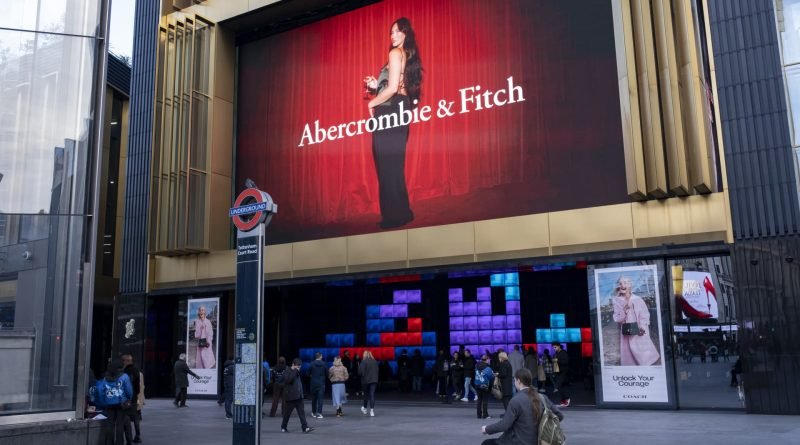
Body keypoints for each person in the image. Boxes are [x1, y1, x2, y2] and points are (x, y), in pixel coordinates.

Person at [363, 17, 423, 229]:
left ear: (406, 33)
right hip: (400, 107)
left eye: (398, 31)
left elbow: (392, 89)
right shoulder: (405, 54)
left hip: (390, 109)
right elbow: (393, 86)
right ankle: (402, 212)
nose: (393, 35)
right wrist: (375, 86)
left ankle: (393, 217)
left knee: (387, 165)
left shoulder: (395, 53)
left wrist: (372, 103)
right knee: (393, 165)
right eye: (391, 32)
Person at [480, 368, 564, 445]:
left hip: (517, 442)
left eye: (514, 380)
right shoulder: (543, 397)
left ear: (518, 381)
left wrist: (486, 429)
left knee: (486, 443)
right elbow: (560, 416)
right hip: (539, 441)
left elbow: (504, 425)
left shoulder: (516, 400)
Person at [612, 276, 660, 366]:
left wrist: (642, 326)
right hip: (627, 332)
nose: (622, 285)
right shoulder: (617, 301)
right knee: (630, 359)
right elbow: (617, 318)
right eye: (620, 283)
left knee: (643, 357)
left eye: (625, 283)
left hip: (639, 331)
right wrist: (624, 311)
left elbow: (645, 315)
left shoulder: (638, 299)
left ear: (630, 285)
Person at [97, 359, 134, 445]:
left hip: (109, 404)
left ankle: (109, 443)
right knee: (120, 425)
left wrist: (104, 402)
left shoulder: (106, 377)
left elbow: (101, 391)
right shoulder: (124, 376)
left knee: (110, 424)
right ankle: (119, 443)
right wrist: (128, 398)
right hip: (121, 404)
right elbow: (129, 391)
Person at [281, 358, 314, 433]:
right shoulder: (287, 371)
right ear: (293, 364)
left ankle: (305, 427)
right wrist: (295, 371)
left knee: (302, 413)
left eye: (300, 366)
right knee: (287, 414)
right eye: (297, 366)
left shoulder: (297, 371)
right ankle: (283, 426)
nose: (299, 368)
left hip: (299, 397)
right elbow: (288, 380)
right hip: (291, 397)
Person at [121, 354, 143, 443]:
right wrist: (137, 394)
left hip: (128, 397)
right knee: (135, 417)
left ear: (127, 361)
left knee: (126, 417)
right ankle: (137, 435)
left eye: (123, 360)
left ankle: (127, 438)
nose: (122, 362)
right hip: (134, 397)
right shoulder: (136, 370)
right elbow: (138, 385)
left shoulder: (126, 371)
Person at [358, 350, 379, 416]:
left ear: (364, 355)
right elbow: (377, 370)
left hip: (365, 381)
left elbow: (360, 372)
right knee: (372, 394)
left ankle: (365, 408)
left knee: (366, 395)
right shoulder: (375, 361)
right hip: (374, 380)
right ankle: (372, 411)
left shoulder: (364, 361)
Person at [475, 354, 495, 419]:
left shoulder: (476, 366)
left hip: (477, 384)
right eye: (489, 360)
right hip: (485, 385)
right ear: (487, 360)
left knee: (479, 400)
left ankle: (479, 415)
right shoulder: (488, 368)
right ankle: (485, 415)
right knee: (485, 400)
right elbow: (490, 377)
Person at [308, 352, 327, 418]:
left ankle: (313, 412)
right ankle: (319, 413)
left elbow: (307, 373)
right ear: (320, 356)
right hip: (321, 383)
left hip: (313, 383)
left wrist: (311, 376)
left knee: (314, 398)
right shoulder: (324, 364)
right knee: (320, 399)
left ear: (315, 356)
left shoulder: (312, 363)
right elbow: (327, 373)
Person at [551, 343, 570, 407]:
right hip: (558, 371)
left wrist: (557, 360)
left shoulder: (563, 353)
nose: (554, 348)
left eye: (555, 347)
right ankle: (563, 401)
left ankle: (566, 398)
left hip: (563, 371)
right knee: (558, 386)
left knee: (558, 385)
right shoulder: (556, 353)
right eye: (553, 347)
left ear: (559, 346)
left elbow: (566, 361)